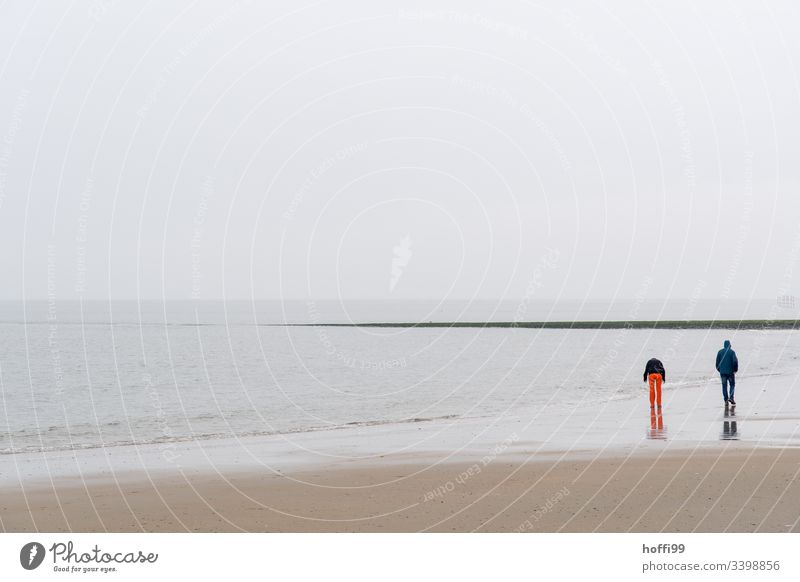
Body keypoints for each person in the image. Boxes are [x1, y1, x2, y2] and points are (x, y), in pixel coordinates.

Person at [716, 339, 739, 406]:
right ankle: (731, 398)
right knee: (732, 385)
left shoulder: (719, 352)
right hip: (730, 372)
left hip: (722, 372)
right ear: (729, 345)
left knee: (724, 386)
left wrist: (720, 370)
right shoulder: (732, 352)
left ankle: (726, 400)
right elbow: (735, 361)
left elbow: (717, 363)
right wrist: (735, 370)